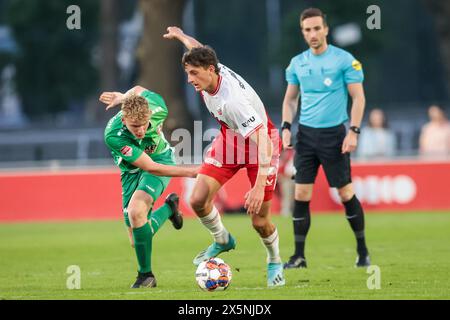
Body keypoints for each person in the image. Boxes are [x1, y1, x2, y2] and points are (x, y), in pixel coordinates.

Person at [164, 27, 285, 287]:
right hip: (231, 139)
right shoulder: (209, 69)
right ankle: (222, 239)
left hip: (261, 144)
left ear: (210, 69)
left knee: (260, 221)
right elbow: (196, 48)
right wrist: (181, 36)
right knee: (197, 199)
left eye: (193, 73)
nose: (189, 79)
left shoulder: (233, 101)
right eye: (187, 73)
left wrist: (258, 185)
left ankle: (274, 260)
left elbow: (263, 140)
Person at [280, 8, 370, 269]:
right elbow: (290, 99)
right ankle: (299, 257)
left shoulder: (345, 60)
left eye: (317, 28)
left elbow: (358, 98)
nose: (313, 34)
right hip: (306, 136)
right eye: (307, 30)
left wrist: (353, 131)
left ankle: (362, 251)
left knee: (345, 193)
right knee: (301, 194)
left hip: (334, 135)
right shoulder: (297, 63)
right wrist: (286, 126)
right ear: (303, 33)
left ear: (326, 29)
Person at [100, 86, 197, 288]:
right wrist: (194, 171)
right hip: (133, 171)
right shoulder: (113, 135)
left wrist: (123, 96)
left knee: (136, 211)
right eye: (135, 126)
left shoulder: (158, 106)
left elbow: (139, 89)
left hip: (161, 159)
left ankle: (146, 276)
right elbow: (149, 167)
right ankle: (170, 208)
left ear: (150, 114)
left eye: (144, 124)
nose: (141, 131)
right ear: (124, 119)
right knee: (137, 240)